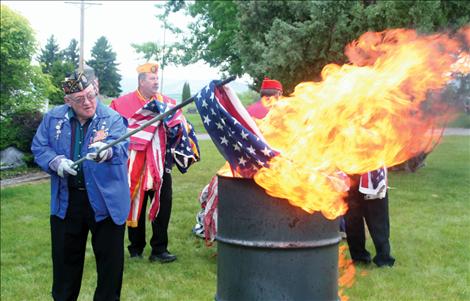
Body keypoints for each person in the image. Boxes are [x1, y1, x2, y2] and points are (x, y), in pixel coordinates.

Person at [31, 66, 131, 300]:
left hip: (106, 203)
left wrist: (105, 152)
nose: (87, 103)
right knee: (65, 267)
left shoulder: (112, 118)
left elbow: (122, 146)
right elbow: (39, 146)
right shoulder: (53, 118)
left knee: (110, 269)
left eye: (90, 96)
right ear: (67, 101)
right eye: (79, 99)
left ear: (95, 90)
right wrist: (55, 162)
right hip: (68, 201)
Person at [110, 61, 199, 263]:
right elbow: (113, 131)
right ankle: (135, 249)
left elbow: (180, 127)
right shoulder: (121, 103)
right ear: (141, 81)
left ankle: (159, 249)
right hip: (134, 167)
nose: (156, 81)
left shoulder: (167, 103)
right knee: (136, 208)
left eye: (157, 78)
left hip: (161, 166)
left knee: (163, 207)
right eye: (152, 78)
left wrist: (178, 127)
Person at [192, 77, 283, 242]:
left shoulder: (246, 111)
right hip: (267, 165)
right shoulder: (281, 112)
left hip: (242, 164)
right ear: (279, 93)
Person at [344, 168, 396, 267]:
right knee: (352, 220)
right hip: (350, 171)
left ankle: (383, 258)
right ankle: (359, 257)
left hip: (372, 173)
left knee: (378, 220)